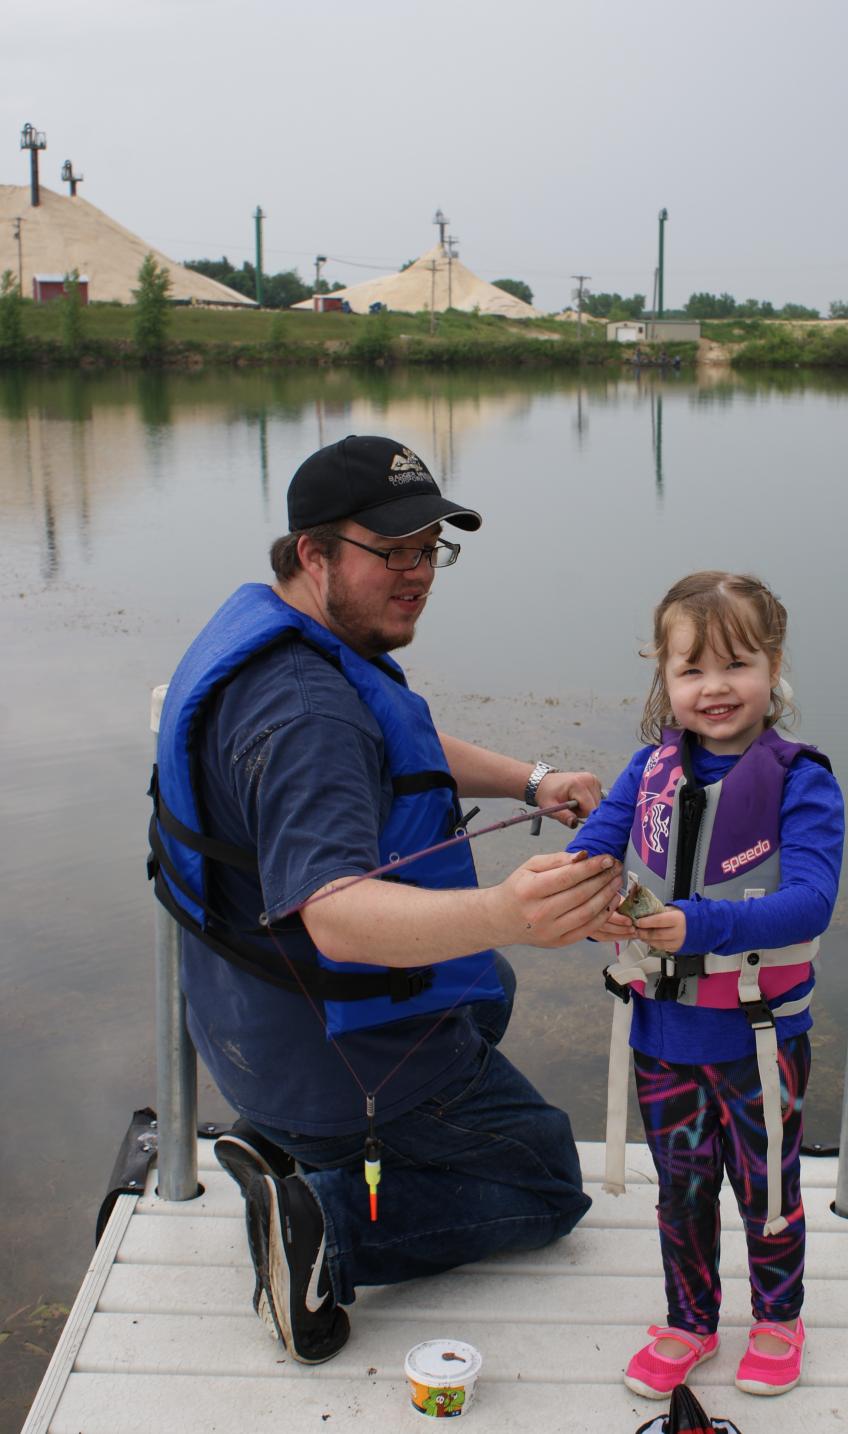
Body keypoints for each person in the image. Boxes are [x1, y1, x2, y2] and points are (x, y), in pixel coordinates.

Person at [148, 434, 624, 1365]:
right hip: (326, 1055)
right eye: (392, 552)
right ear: (314, 553)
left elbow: (393, 738)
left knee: (484, 986)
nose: (419, 574)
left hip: (244, 1030)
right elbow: (334, 914)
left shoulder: (288, 643)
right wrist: (509, 913)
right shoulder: (307, 717)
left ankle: (302, 1152)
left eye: (430, 549)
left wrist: (532, 780)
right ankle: (326, 1222)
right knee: (546, 1178)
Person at [571, 571, 844, 1399]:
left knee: (770, 1188)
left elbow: (811, 901)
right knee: (681, 1191)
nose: (715, 688)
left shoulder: (802, 780)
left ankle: (778, 1318)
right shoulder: (645, 769)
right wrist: (585, 900)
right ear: (665, 678)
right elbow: (594, 848)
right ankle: (690, 1320)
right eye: (691, 670)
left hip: (760, 1038)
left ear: (774, 667)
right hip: (662, 1035)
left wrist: (701, 924)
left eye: (738, 664)